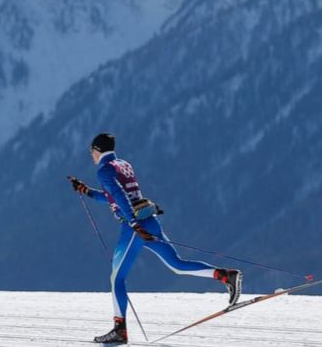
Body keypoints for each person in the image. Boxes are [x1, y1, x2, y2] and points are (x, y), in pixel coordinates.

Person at [69, 132, 242, 345]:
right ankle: (225, 276)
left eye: (91, 152)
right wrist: (86, 191)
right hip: (148, 219)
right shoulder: (123, 165)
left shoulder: (103, 170)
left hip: (135, 226)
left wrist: (132, 223)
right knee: (177, 264)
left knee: (117, 278)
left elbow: (121, 197)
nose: (91, 156)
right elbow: (114, 195)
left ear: (96, 150)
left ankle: (119, 330)